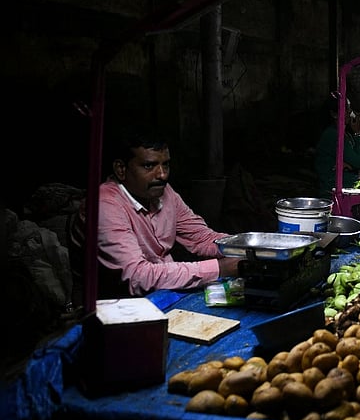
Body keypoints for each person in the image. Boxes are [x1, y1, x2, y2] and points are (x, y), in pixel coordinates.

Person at [70, 125, 241, 299]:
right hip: (116, 304)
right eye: (149, 166)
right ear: (121, 169)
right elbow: (137, 276)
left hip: (163, 292)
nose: (162, 175)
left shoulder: (163, 192)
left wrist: (249, 249)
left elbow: (201, 237)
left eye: (165, 165)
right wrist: (220, 268)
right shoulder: (104, 205)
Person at [315, 92, 360, 198]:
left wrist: (351, 166)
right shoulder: (333, 136)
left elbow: (357, 162)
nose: (350, 113)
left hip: (347, 188)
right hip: (333, 193)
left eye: (349, 109)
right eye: (346, 109)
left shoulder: (346, 134)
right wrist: (358, 133)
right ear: (334, 114)